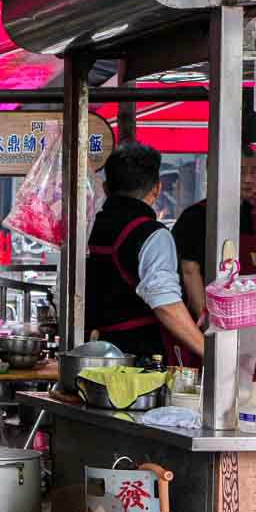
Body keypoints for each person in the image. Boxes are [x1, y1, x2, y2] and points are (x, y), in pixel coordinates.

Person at [84, 140, 206, 364]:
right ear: (157, 188)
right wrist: (208, 352)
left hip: (86, 354)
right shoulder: (153, 235)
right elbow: (167, 305)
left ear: (106, 188)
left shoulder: (86, 228)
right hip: (137, 364)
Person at [174, 150, 256, 320]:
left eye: (253, 171)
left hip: (251, 320)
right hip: (214, 322)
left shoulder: (252, 220)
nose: (249, 179)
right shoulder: (196, 217)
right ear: (216, 171)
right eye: (241, 171)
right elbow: (189, 272)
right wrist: (207, 320)